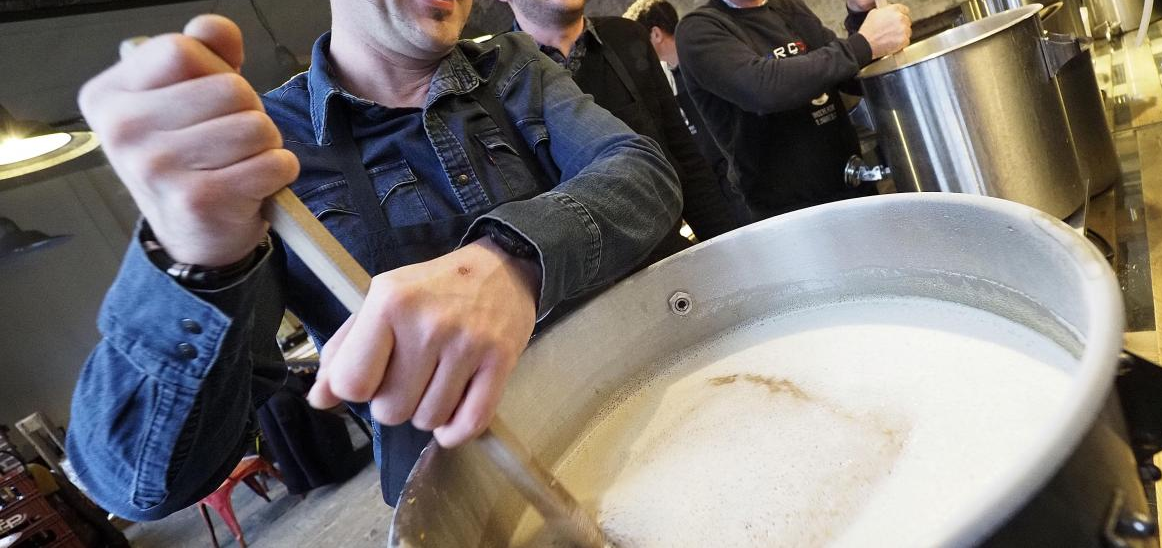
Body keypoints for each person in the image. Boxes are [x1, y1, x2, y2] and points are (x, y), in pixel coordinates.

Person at [66, 0, 681, 519]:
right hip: (472, 504)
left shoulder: (514, 66)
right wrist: (197, 263)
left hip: (637, 413)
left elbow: (640, 174)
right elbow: (138, 482)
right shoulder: (262, 151)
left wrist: (508, 263)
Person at [502, 0, 742, 249]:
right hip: (586, 267)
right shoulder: (498, 74)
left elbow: (683, 156)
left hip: (669, 252)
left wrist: (727, 247)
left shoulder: (626, 36)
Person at [676, 0, 912, 219]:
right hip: (792, 215)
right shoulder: (699, 30)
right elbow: (763, 89)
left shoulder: (787, 7)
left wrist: (861, 15)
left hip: (854, 190)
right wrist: (862, 44)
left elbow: (850, 78)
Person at [625, 0, 753, 226]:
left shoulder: (705, 61)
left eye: (637, 40)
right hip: (717, 185)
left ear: (656, 34)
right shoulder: (669, 78)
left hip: (740, 176)